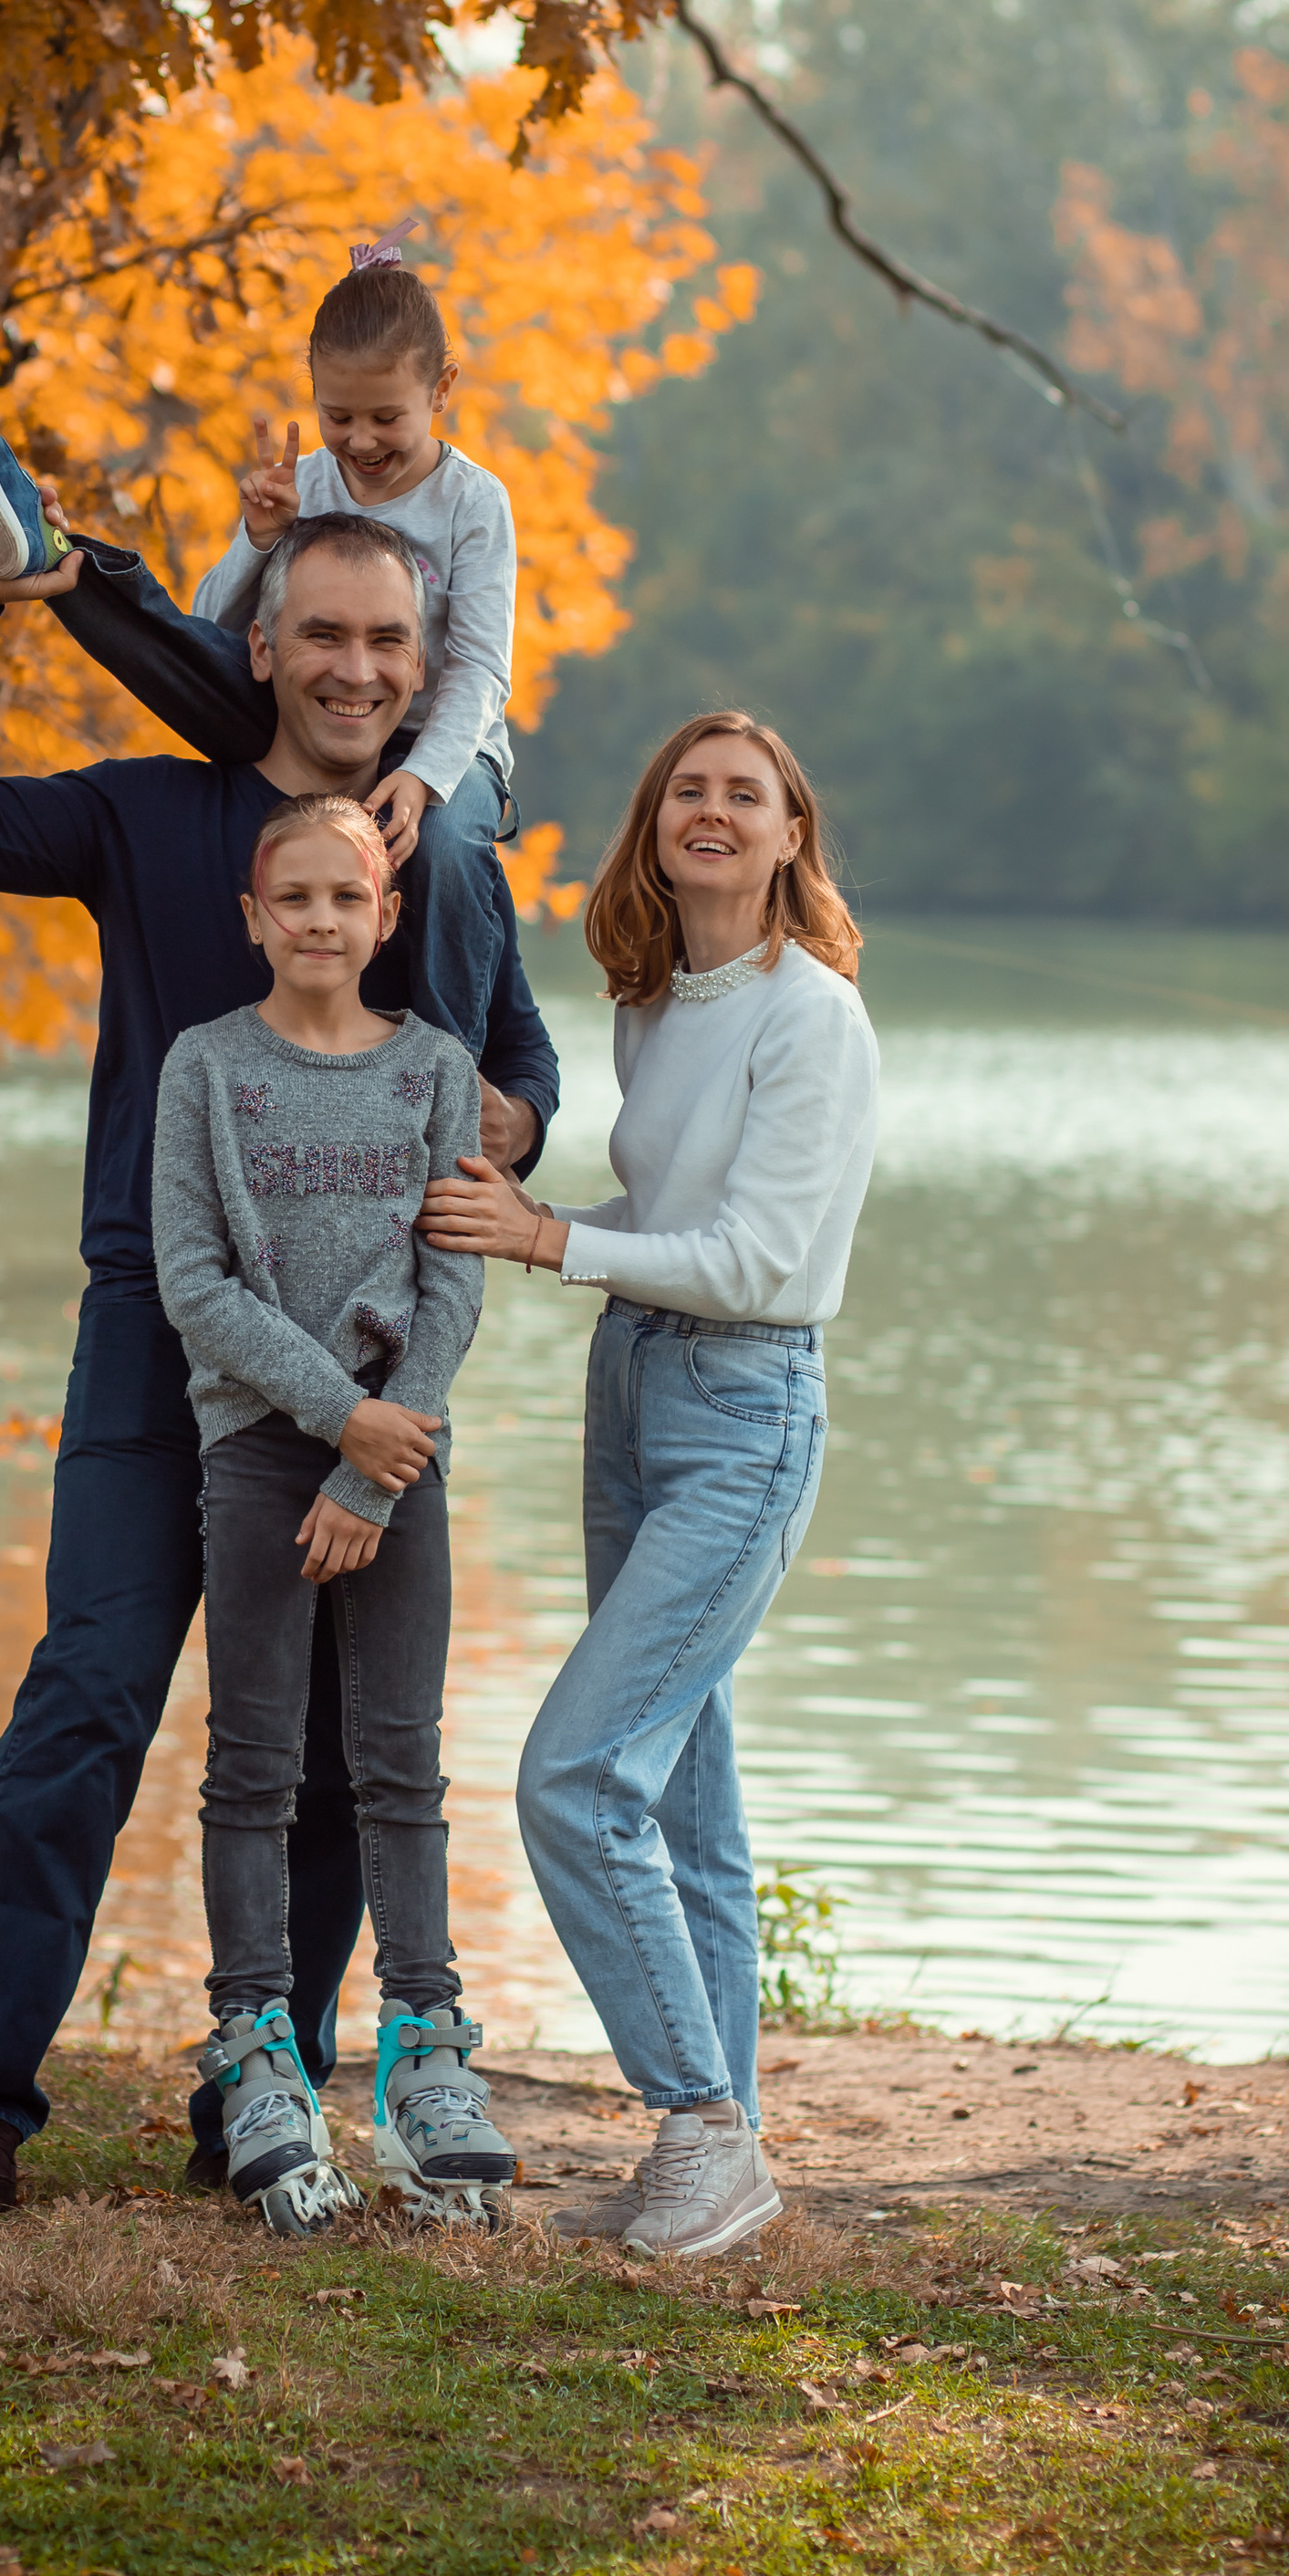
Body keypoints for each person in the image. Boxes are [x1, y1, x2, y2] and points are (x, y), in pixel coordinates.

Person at [0, 502, 558, 2209]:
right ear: (258, 643)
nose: (355, 668)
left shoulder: (434, 858)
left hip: (356, 1375)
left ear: (425, 668)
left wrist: (509, 1125)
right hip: (155, 1334)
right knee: (90, 1697)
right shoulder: (147, 813)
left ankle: (258, 2094)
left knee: (331, 1748)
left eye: (390, 643)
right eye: (323, 634)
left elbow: (528, 1074)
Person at [421, 711, 878, 2262]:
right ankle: (727, 2150)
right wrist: (537, 1206)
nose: (714, 810)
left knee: (574, 1773)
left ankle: (696, 2121)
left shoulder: (813, 1020)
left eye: (746, 794)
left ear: (789, 837)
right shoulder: (657, 1002)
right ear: (656, 823)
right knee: (688, 1799)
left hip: (743, 1416)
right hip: (634, 1386)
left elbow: (761, 1262)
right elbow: (673, 1209)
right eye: (689, 788)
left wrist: (550, 1244)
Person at [151, 788, 515, 2236]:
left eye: (344, 898)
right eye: (291, 898)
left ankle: (425, 2051)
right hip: (256, 1451)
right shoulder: (204, 1069)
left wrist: (376, 1463)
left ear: (385, 916)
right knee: (250, 1767)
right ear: (254, 917)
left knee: (397, 1766)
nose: (318, 920)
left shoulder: (433, 1069)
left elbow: (455, 1278)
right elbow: (194, 1281)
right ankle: (257, 2053)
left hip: (403, 1459)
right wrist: (328, 1424)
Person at [0, 227, 519, 1057]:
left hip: (445, 746)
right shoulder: (306, 481)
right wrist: (259, 536)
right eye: (337, 415)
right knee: (186, 648)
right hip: (315, 718)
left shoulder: (474, 503)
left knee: (451, 853)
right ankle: (48, 548)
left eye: (388, 417)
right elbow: (207, 629)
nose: (360, 441)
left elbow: (482, 668)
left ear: (443, 391)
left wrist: (424, 779)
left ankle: (449, 1063)